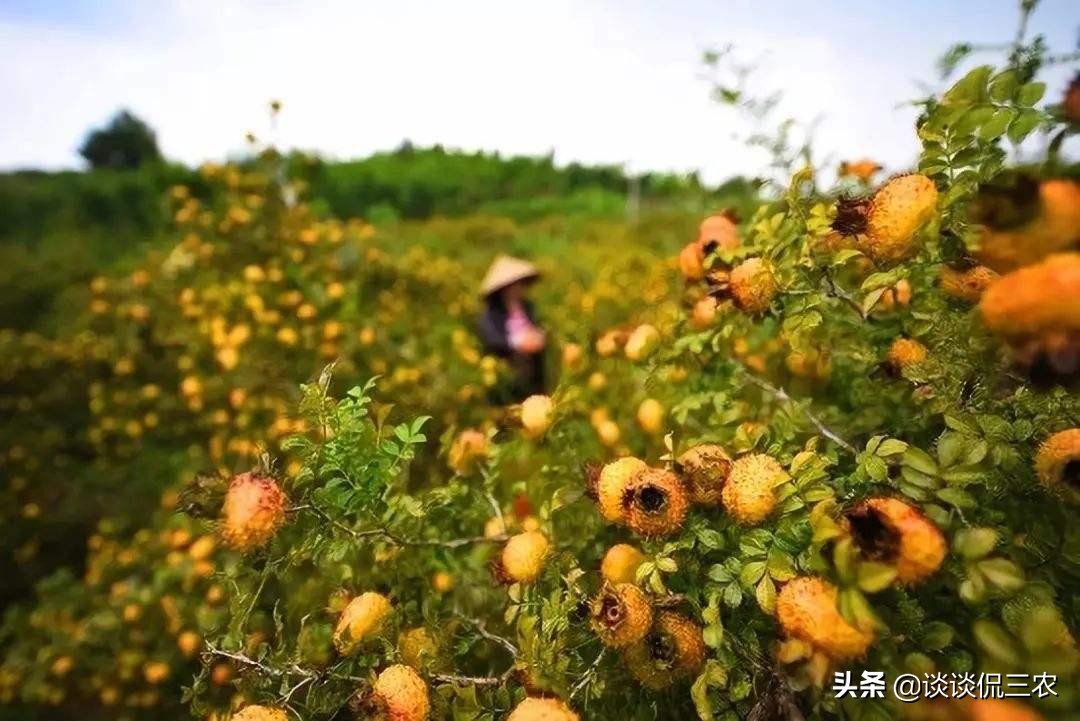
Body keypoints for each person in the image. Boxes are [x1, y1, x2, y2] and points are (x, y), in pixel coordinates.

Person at [477, 255, 547, 402]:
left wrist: (538, 337)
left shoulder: (528, 307)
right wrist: (518, 343)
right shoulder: (492, 312)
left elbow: (538, 327)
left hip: (533, 370)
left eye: (520, 284)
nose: (518, 289)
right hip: (506, 370)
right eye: (513, 285)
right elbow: (491, 338)